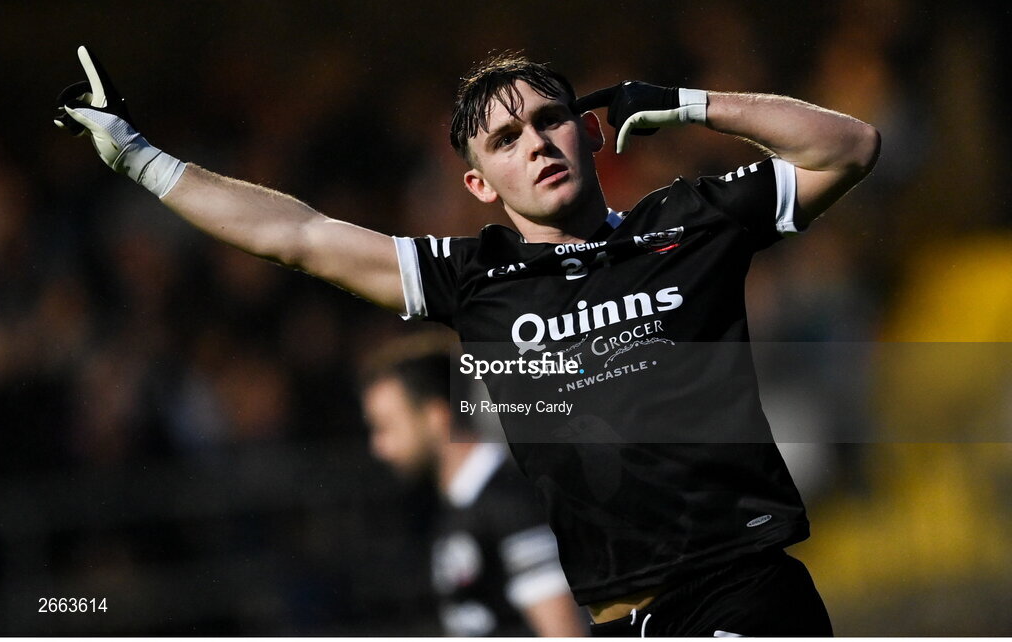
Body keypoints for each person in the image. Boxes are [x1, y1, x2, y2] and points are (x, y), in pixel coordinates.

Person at [56, 45, 879, 636]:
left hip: (743, 589)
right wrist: (140, 161)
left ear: (589, 134)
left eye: (552, 119)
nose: (538, 143)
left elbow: (851, 147)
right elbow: (298, 236)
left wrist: (694, 104)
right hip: (623, 619)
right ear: (480, 184)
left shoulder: (689, 222)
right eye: (506, 139)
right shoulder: (476, 278)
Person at [358, 331, 586, 636]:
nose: (378, 447)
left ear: (436, 417)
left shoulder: (511, 503)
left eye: (386, 427)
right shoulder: (460, 506)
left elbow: (563, 633)